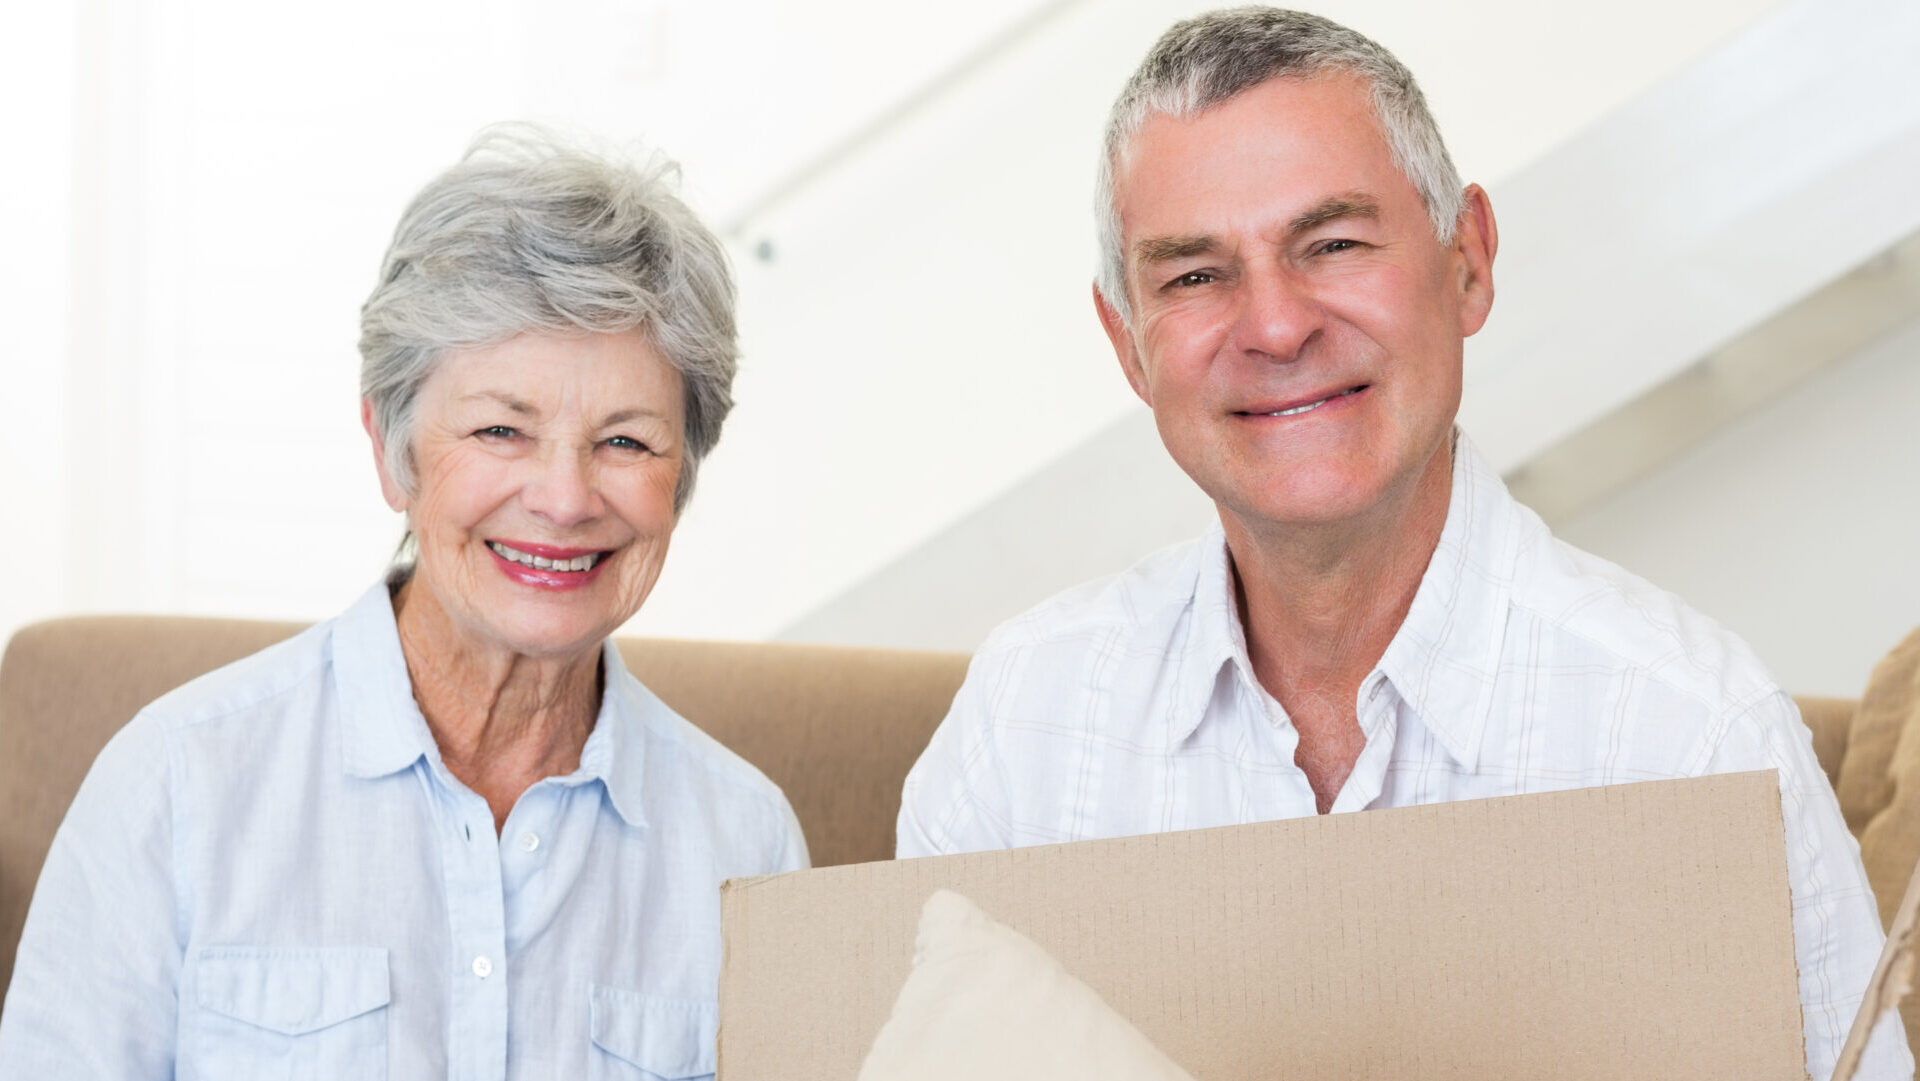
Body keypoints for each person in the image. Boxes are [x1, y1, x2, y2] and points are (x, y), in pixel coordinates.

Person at [896, 9, 1910, 1077]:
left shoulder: (1694, 735)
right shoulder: (1025, 727)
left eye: (1331, 244)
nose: (1277, 326)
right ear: (1128, 346)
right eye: (1194, 276)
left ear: (1466, 262)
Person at [0, 126, 806, 1078]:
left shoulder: (748, 846)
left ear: (683, 479)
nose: (564, 497)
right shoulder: (175, 787)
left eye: (626, 442)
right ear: (392, 448)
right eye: (502, 428)